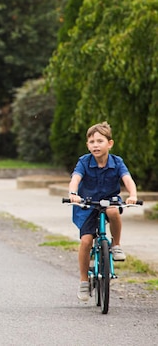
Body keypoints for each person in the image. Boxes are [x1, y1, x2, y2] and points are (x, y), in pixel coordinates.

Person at [67, 121, 137, 301]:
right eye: (92, 142)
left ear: (110, 143)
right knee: (86, 241)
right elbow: (75, 178)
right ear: (87, 145)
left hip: (110, 200)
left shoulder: (117, 161)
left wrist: (133, 195)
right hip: (87, 204)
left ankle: (116, 245)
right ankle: (84, 281)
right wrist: (73, 194)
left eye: (100, 141)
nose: (95, 145)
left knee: (113, 211)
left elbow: (127, 179)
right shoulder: (84, 161)